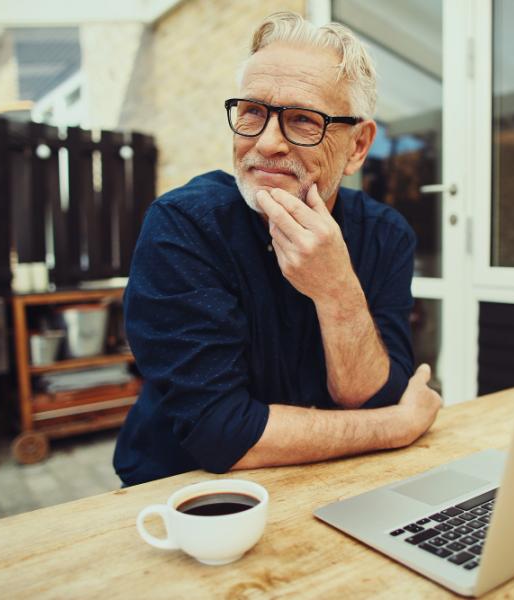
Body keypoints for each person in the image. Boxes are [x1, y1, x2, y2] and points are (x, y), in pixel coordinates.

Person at [113, 12, 442, 486]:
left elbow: (372, 396)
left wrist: (337, 291)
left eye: (303, 120)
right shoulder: (184, 227)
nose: (266, 143)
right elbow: (220, 432)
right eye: (252, 111)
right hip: (185, 496)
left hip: (333, 481)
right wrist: (397, 426)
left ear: (357, 146)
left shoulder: (386, 234)